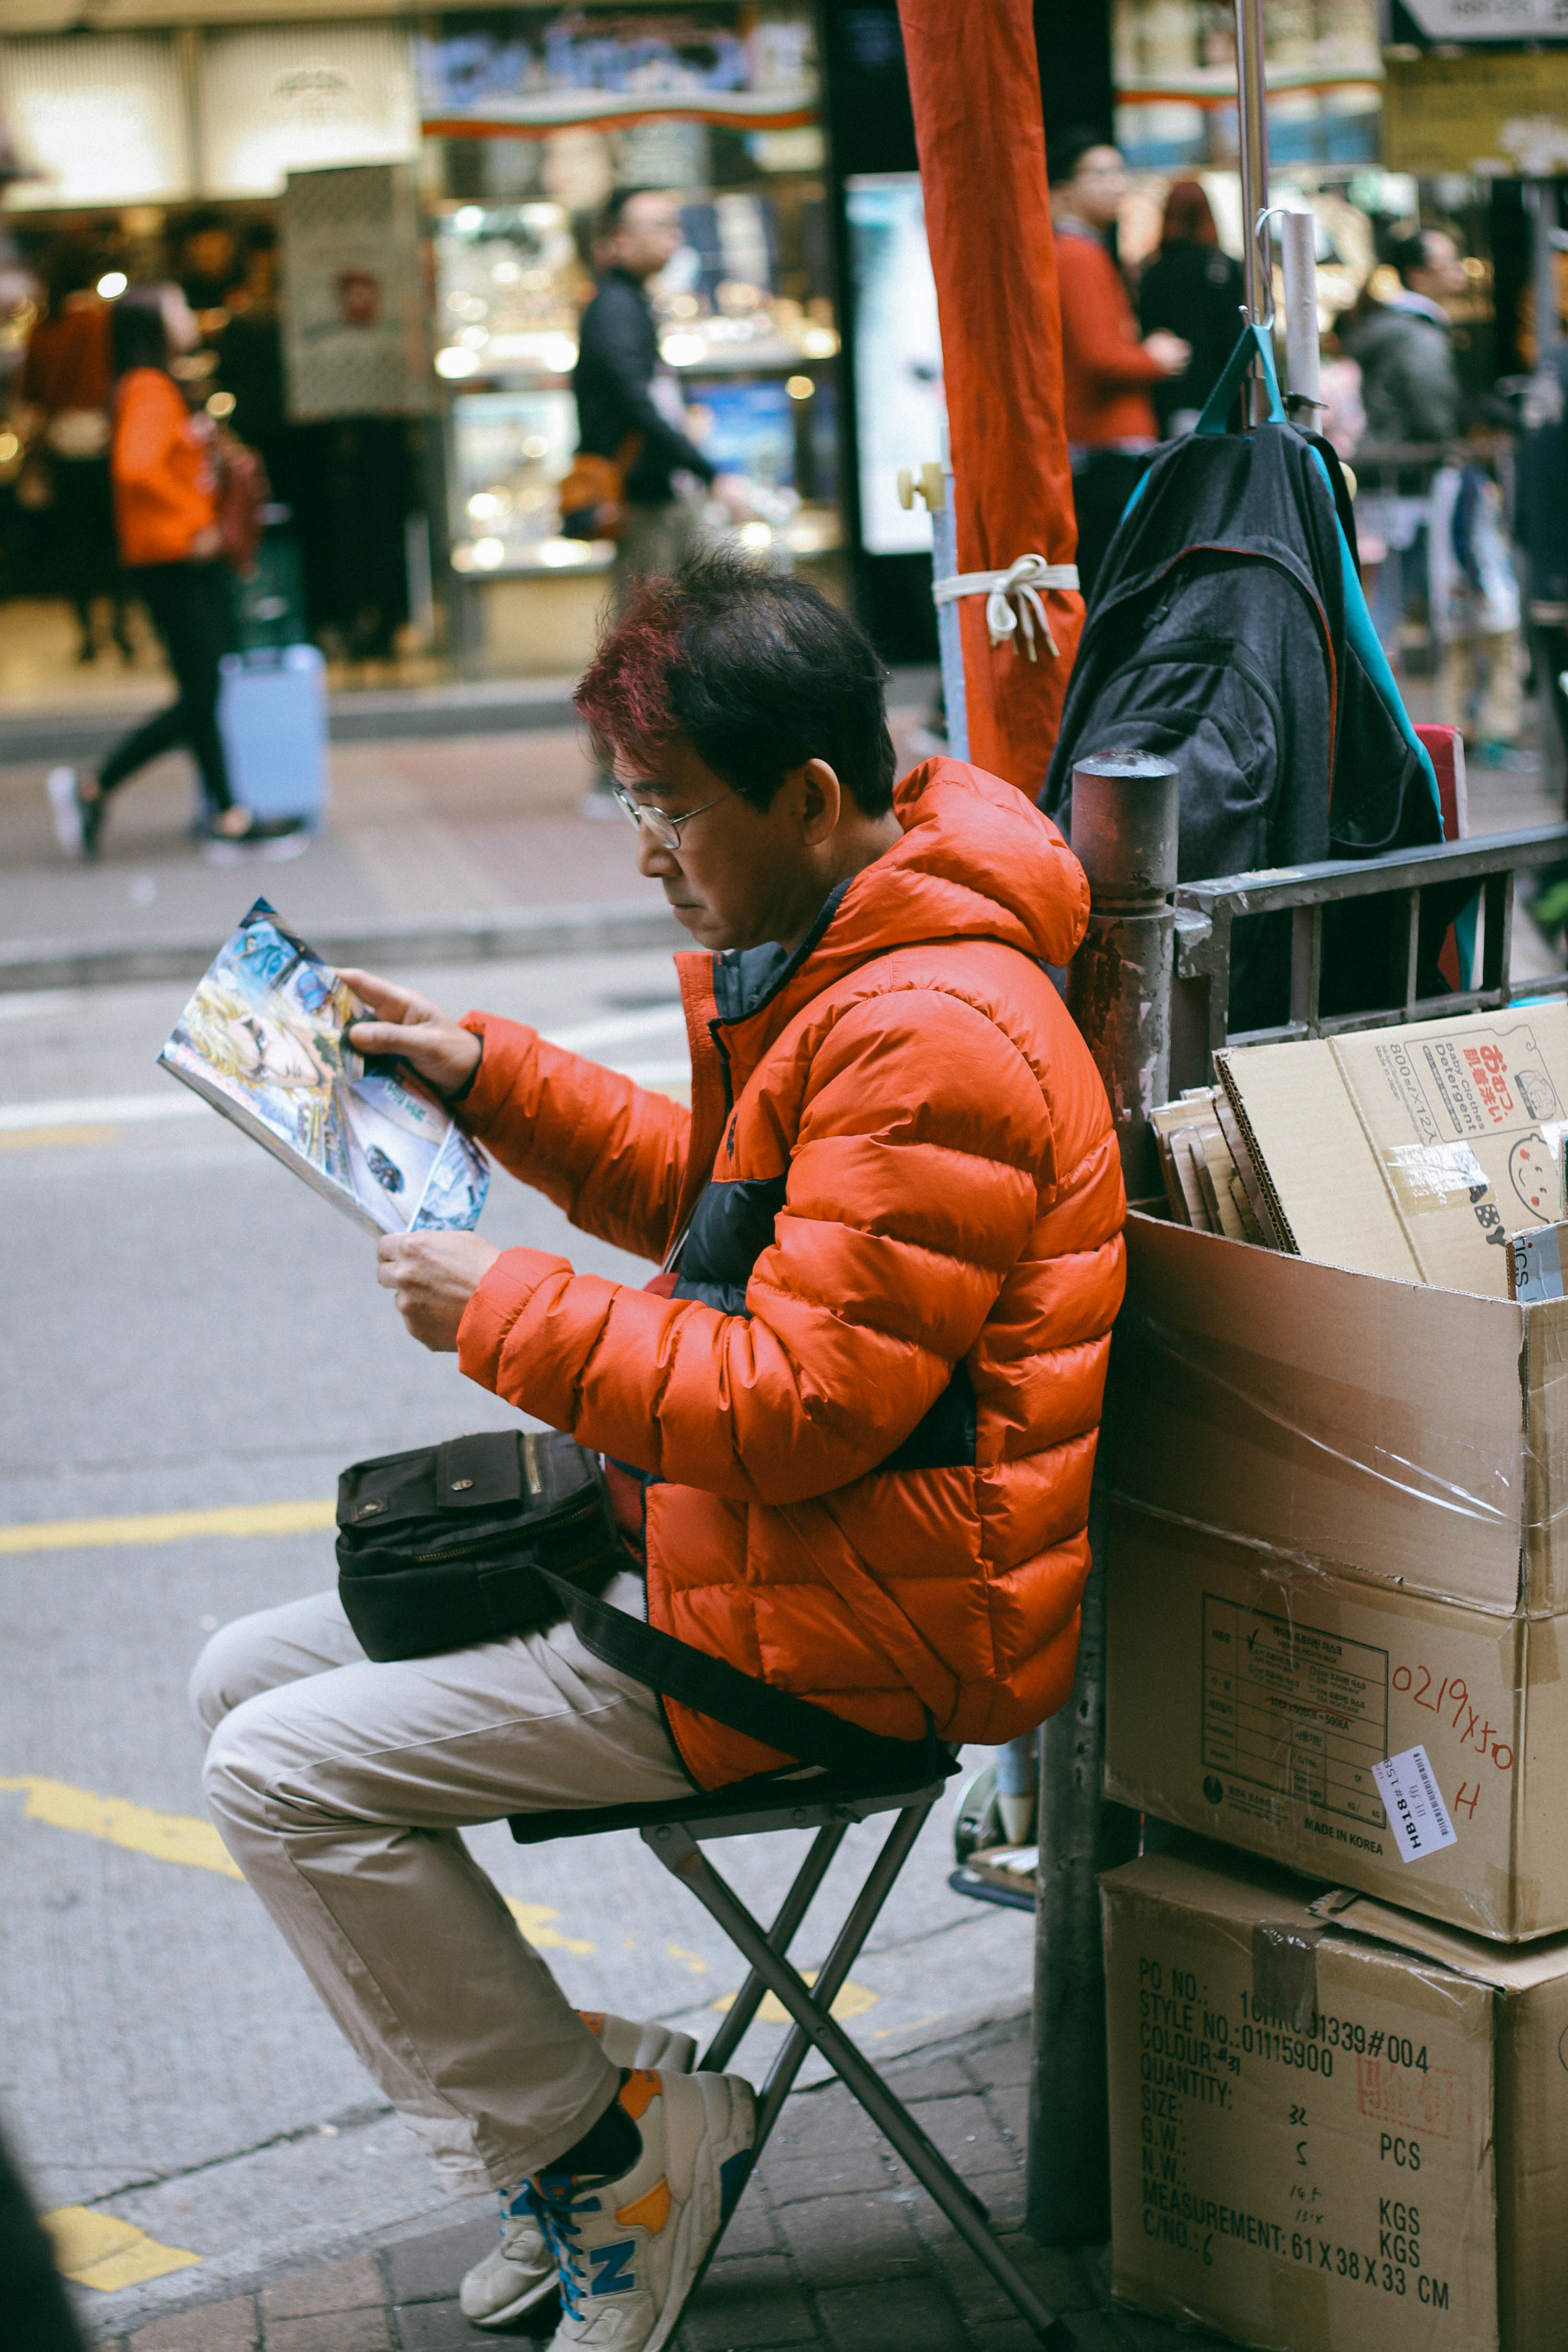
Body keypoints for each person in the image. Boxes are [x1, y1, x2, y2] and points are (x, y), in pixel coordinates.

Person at [188, 549, 1125, 2348]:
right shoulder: (869, 948)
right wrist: (492, 1075)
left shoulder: (928, 1030)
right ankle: (604, 2129)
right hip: (753, 1558)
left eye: (666, 806)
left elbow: (793, 1403)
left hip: (860, 1626)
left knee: (279, 1778)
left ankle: (605, 2150)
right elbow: (741, 1213)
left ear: (810, 799)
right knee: (244, 1688)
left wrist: (502, 1315)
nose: (643, 847)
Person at [46, 285, 303, 862]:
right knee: (202, 690)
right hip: (170, 558)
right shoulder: (148, 390)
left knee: (201, 690)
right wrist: (193, 525)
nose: (189, 316)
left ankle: (229, 814)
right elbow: (136, 468)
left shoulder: (157, 388)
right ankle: (97, 785)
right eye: (178, 307)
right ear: (154, 324)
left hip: (173, 556)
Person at [573, 187, 751, 810]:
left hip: (660, 494)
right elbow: (634, 400)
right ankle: (615, 774)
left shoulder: (627, 305)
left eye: (676, 224)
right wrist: (706, 469)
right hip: (647, 499)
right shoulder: (613, 309)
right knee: (642, 636)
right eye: (658, 225)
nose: (672, 235)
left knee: (673, 627)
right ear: (617, 240)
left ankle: (659, 761)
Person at [1047, 130, 1189, 602]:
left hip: (1103, 445)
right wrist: (1155, 358)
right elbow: (1101, 358)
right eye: (1101, 173)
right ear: (1065, 188)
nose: (1117, 185)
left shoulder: (1079, 252)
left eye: (1119, 171)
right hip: (1107, 445)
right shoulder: (1078, 255)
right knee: (1119, 584)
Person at [13, 241, 131, 664]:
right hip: (106, 446)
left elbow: (29, 399)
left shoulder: (44, 329)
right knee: (112, 542)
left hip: (62, 450)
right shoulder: (105, 323)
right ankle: (121, 630)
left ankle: (87, 635)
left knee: (74, 547)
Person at [1137, 179, 1246, 438]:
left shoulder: (1153, 271)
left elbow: (1147, 331)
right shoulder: (1223, 267)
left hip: (1170, 392)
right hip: (1220, 393)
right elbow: (1235, 337)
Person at [1339, 228, 1465, 447]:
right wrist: (1445, 443)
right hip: (1407, 462)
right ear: (1417, 275)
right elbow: (1430, 408)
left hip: (1382, 457)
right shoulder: (1418, 334)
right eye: (1449, 263)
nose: (1459, 271)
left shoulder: (1394, 325)